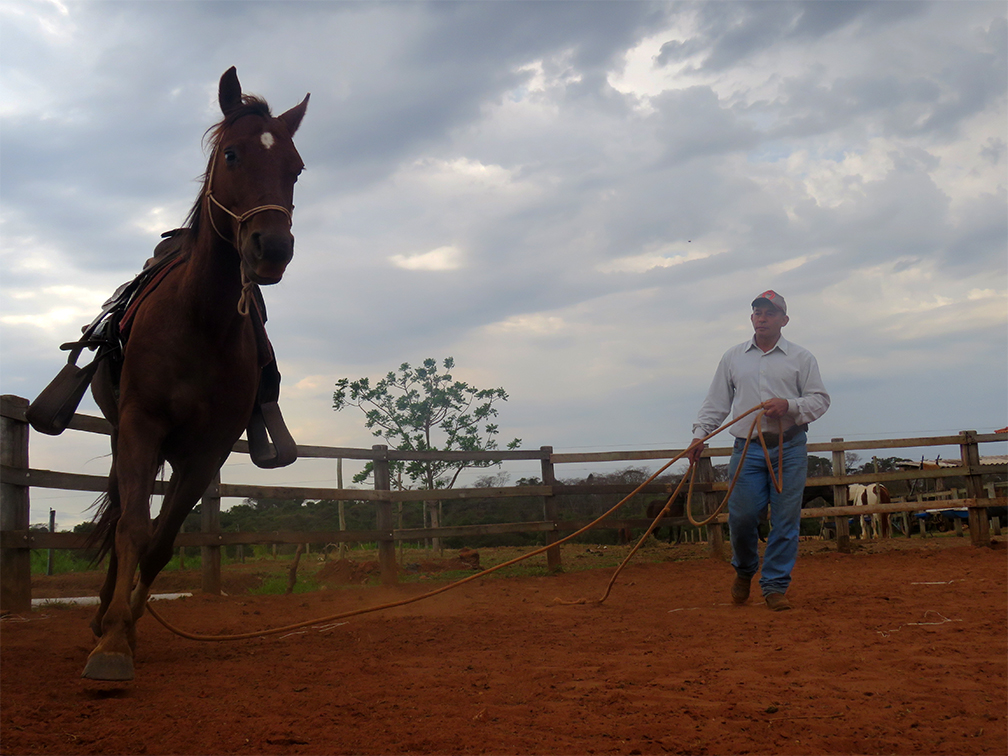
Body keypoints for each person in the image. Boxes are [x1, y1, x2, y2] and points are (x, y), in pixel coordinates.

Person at [687, 290, 829, 611]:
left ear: (784, 320)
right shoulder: (733, 357)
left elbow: (820, 399)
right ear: (751, 318)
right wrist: (699, 436)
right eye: (757, 312)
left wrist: (789, 405)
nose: (762, 318)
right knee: (742, 515)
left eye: (769, 313)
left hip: (789, 447)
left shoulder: (802, 358)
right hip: (747, 448)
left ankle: (775, 586)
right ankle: (745, 569)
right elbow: (716, 403)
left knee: (785, 519)